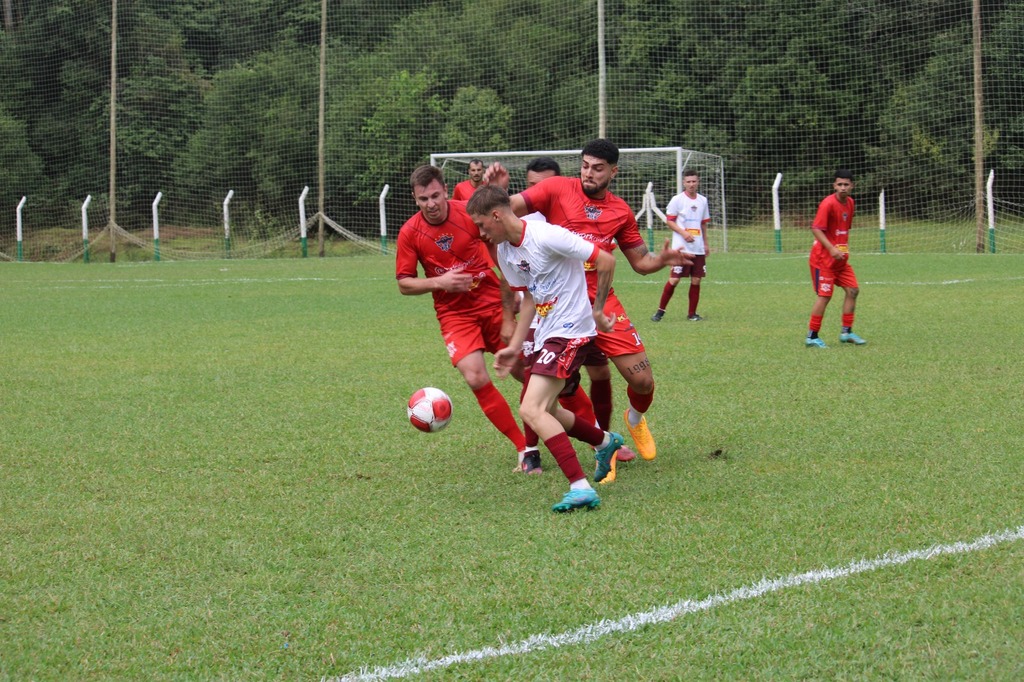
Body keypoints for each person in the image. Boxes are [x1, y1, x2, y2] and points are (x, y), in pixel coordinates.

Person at [486, 139, 690, 463]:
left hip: (602, 303)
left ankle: (635, 421)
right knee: (561, 389)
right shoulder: (555, 189)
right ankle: (601, 446)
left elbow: (640, 262)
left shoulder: (621, 211)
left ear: (613, 171)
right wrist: (495, 193)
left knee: (642, 379)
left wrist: (661, 259)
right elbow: (506, 212)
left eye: (597, 168)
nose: (588, 173)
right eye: (584, 166)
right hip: (560, 302)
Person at [467, 185, 625, 512]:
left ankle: (580, 487)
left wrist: (597, 311)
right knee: (549, 411)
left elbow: (605, 260)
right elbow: (531, 301)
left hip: (571, 330)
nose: (480, 233)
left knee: (530, 409)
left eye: (482, 225)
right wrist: (514, 347)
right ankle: (605, 442)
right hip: (546, 333)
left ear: (497, 215)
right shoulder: (508, 253)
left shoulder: (547, 235)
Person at [395, 165, 528, 463]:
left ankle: (592, 432)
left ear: (445, 190)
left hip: (492, 303)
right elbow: (404, 283)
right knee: (475, 376)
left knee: (528, 372)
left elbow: (505, 257)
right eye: (423, 199)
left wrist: (510, 307)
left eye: (435, 196)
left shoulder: (469, 214)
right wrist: (438, 282)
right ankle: (523, 448)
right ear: (415, 199)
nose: (430, 204)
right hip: (455, 315)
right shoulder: (409, 233)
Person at [517, 156, 638, 475]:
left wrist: (597, 309)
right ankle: (538, 451)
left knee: (557, 393)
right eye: (531, 187)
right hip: (546, 313)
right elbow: (519, 288)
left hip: (575, 315)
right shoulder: (516, 230)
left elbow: (606, 261)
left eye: (541, 186)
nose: (535, 193)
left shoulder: (557, 226)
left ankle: (595, 456)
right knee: (543, 396)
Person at [805, 169, 867, 348]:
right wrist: (831, 248)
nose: (842, 188)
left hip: (840, 260)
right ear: (834, 186)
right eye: (839, 184)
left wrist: (840, 250)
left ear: (852, 186)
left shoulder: (850, 203)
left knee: (853, 290)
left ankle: (846, 333)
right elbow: (816, 228)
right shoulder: (827, 204)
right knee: (825, 296)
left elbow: (844, 230)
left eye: (846, 184)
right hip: (823, 260)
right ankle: (812, 336)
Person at [652, 169, 710, 322]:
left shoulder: (703, 201)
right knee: (674, 280)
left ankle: (692, 314)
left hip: (698, 248)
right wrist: (683, 233)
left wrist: (705, 243)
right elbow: (669, 220)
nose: (691, 184)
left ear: (698, 182)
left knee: (696, 280)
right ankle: (660, 312)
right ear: (684, 183)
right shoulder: (677, 200)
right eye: (688, 181)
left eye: (694, 181)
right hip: (681, 248)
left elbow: (703, 224)